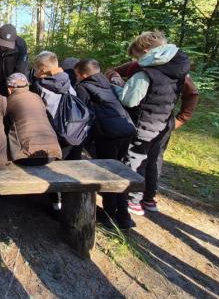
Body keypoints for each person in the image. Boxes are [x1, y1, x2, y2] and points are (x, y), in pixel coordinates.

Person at [112, 31, 190, 216]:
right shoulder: (178, 67)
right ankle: (149, 198)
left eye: (137, 56)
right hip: (163, 123)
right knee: (153, 161)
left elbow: (130, 100)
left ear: (146, 51)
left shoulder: (146, 72)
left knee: (135, 160)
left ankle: (133, 201)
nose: (137, 61)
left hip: (144, 123)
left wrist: (116, 87)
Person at [74, 59, 136, 229]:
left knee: (107, 173)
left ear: (83, 75)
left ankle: (108, 215)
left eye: (76, 75)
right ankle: (124, 216)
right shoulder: (107, 83)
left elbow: (81, 112)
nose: (76, 77)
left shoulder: (83, 87)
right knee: (120, 171)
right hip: (126, 129)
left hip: (108, 133)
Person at [30, 51, 81, 160]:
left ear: (42, 69)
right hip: (72, 128)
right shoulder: (68, 81)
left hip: (53, 132)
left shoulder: (39, 86)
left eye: (35, 69)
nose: (34, 72)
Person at [6, 73, 62, 165]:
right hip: (52, 154)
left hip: (25, 157)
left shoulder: (9, 101)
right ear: (27, 86)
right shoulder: (38, 97)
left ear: (9, 89)